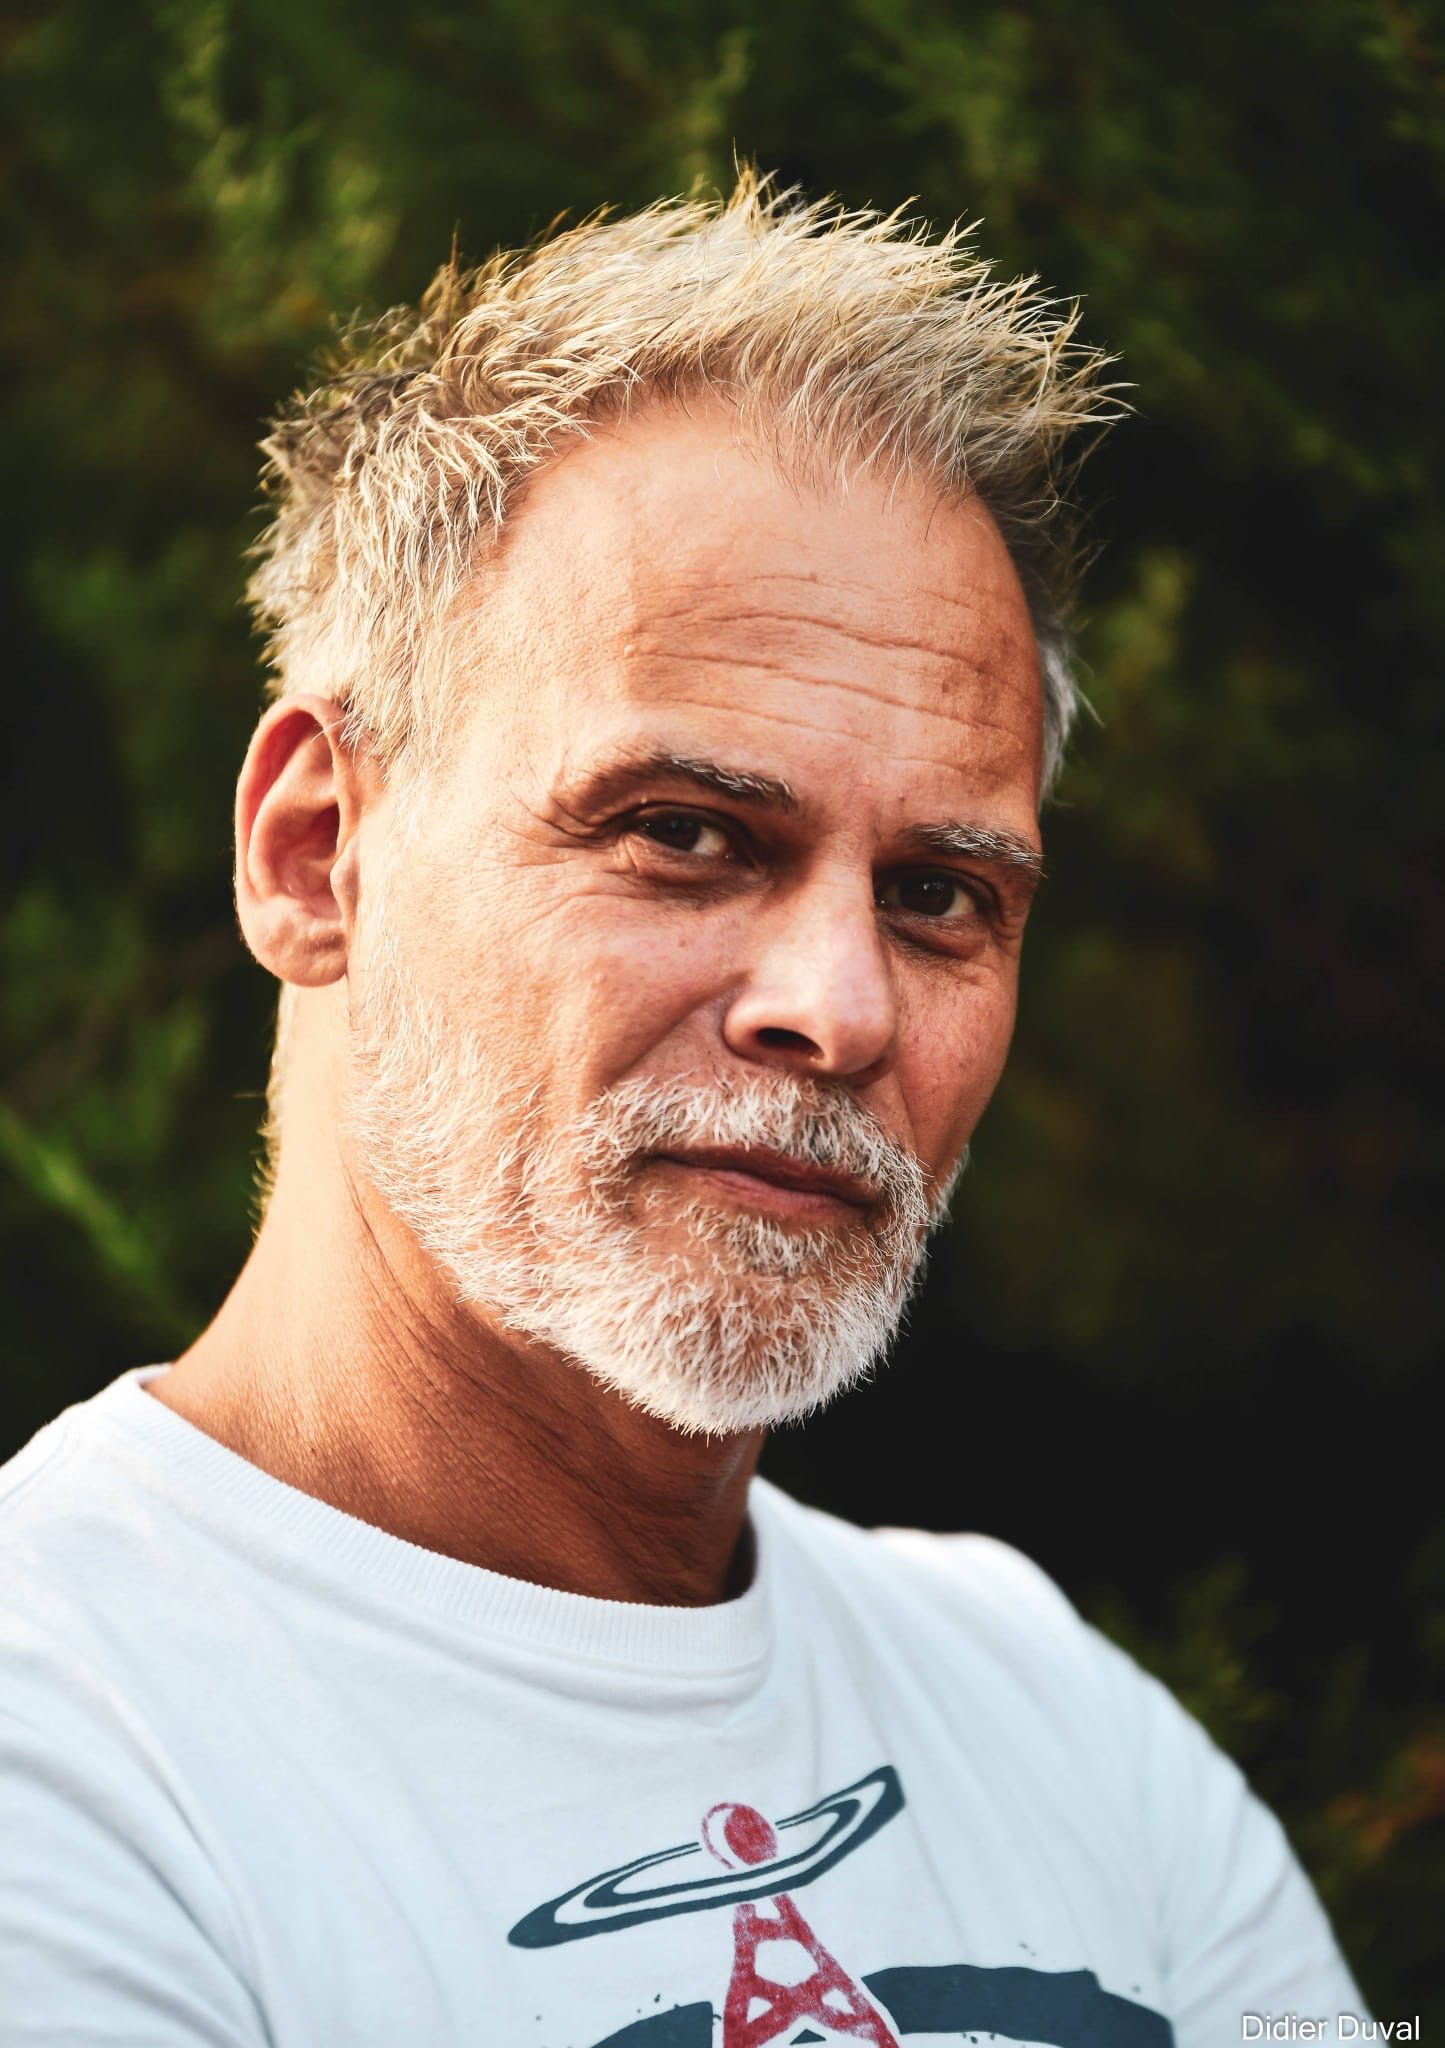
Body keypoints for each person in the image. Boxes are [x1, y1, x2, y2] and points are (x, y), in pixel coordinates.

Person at [0, 174, 1369, 2047]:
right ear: (317, 854)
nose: (839, 1007)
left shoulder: (1052, 1716)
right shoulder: (64, 1753)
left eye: (937, 894)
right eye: (684, 834)